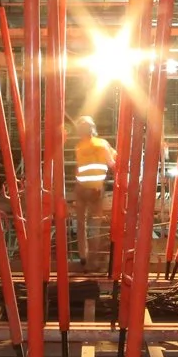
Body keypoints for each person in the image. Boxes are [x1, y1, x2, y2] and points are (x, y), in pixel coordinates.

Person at [71, 116, 116, 273]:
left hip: (80, 189)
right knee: (94, 226)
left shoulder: (79, 146)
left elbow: (79, 168)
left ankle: (83, 256)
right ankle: (92, 262)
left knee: (81, 224)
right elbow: (113, 164)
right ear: (93, 129)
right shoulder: (101, 144)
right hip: (96, 190)